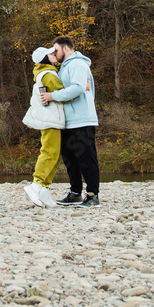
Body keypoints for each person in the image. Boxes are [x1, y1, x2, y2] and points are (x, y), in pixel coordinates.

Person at [41, 35, 100, 208]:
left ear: (66, 48)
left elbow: (78, 87)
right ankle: (75, 193)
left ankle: (93, 196)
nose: (55, 53)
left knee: (86, 158)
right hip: (69, 121)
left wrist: (53, 96)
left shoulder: (77, 64)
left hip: (81, 120)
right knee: (70, 159)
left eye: (56, 50)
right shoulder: (65, 67)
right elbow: (77, 87)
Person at [23, 45, 64, 208]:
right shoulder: (48, 75)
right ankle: (36, 184)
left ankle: (44, 190)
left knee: (54, 154)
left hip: (51, 118)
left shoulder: (44, 73)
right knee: (50, 152)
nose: (55, 54)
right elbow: (62, 94)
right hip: (51, 119)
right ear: (45, 58)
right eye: (51, 53)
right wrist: (82, 89)